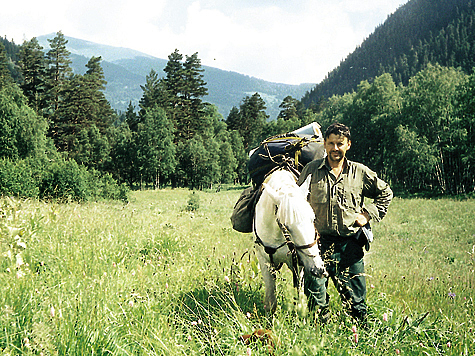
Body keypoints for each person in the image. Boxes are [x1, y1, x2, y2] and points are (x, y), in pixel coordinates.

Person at [297, 122, 393, 324]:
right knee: (316, 306)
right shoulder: (311, 170)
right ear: (324, 144)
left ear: (348, 144)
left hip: (349, 247)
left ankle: (360, 344)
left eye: (339, 144)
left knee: (357, 308)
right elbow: (297, 202)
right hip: (317, 248)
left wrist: (368, 214)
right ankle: (320, 343)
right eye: (331, 143)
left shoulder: (359, 172)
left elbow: (385, 193)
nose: (335, 148)